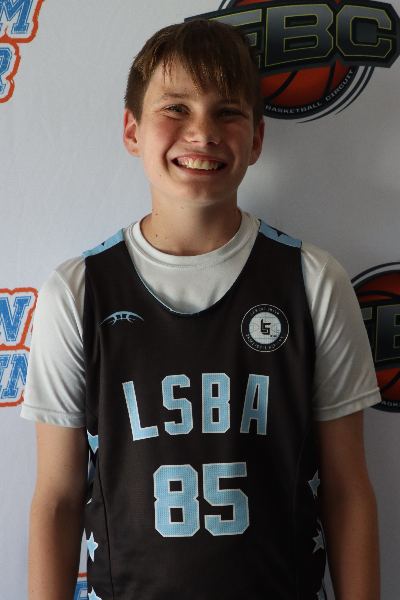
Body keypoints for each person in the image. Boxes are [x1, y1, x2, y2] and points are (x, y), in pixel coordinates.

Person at [22, 18, 381, 600]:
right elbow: (58, 499)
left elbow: (347, 490)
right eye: (176, 108)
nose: (202, 132)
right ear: (132, 130)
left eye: (227, 112)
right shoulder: (79, 291)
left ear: (256, 140)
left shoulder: (312, 281)